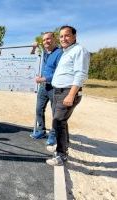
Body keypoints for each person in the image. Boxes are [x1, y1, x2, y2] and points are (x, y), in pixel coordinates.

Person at [46, 25, 90, 166]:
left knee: (58, 122)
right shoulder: (66, 52)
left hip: (67, 91)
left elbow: (80, 74)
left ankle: (61, 155)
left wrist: (71, 95)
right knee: (61, 122)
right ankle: (62, 147)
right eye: (61, 36)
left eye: (67, 35)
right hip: (59, 91)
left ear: (74, 36)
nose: (63, 38)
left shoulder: (79, 50)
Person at [30, 32, 63, 146]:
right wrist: (34, 48)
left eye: (48, 39)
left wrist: (43, 78)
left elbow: (59, 73)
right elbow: (33, 59)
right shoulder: (44, 53)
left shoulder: (60, 53)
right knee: (39, 109)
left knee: (55, 113)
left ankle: (53, 135)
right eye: (44, 40)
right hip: (43, 87)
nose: (46, 42)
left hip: (54, 88)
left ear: (54, 39)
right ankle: (41, 131)